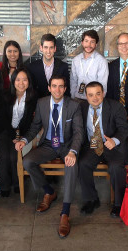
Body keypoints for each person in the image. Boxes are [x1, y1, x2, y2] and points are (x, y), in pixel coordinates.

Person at [15, 75, 83, 238]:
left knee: (71, 165)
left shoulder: (74, 105)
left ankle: (65, 213)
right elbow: (35, 126)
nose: (57, 90)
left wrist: (73, 152)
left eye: (61, 86)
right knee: (28, 161)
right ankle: (49, 191)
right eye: (54, 86)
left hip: (66, 145)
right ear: (49, 88)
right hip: (48, 145)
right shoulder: (42, 103)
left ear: (65, 89)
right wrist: (24, 140)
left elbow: (79, 132)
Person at [79, 82, 128, 217]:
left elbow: (124, 129)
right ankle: (91, 199)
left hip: (111, 145)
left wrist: (114, 140)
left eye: (98, 94)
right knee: (83, 164)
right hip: (93, 144)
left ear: (103, 93)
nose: (95, 98)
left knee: (115, 167)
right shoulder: (81, 107)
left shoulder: (115, 107)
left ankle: (119, 204)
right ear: (86, 96)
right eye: (90, 95)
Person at [0, 68, 37, 197]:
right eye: (18, 79)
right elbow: (2, 118)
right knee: (4, 157)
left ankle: (17, 183)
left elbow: (28, 120)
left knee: (14, 157)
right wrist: (13, 135)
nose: (21, 83)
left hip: (20, 132)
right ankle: (4, 185)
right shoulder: (6, 95)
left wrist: (18, 136)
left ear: (29, 82)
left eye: (25, 80)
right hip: (3, 130)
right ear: (13, 81)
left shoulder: (33, 97)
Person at [27, 33, 70, 98]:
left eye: (51, 48)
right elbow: (30, 90)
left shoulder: (63, 66)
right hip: (38, 104)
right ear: (41, 48)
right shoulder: (32, 67)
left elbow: (66, 90)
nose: (48, 51)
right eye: (46, 47)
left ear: (55, 49)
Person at [70, 29, 108, 101]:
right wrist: (73, 97)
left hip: (93, 100)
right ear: (82, 43)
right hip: (77, 99)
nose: (88, 45)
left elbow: (103, 85)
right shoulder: (76, 60)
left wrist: (98, 102)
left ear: (96, 44)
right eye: (86, 41)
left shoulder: (102, 61)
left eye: (92, 42)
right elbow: (73, 81)